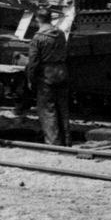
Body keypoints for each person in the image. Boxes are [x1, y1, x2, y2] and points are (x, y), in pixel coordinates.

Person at [25, 12, 71, 147]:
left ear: (37, 19)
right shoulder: (61, 34)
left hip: (46, 75)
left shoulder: (38, 38)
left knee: (48, 110)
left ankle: (53, 144)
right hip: (62, 72)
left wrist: (30, 79)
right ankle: (67, 142)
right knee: (63, 108)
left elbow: (33, 62)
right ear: (50, 18)